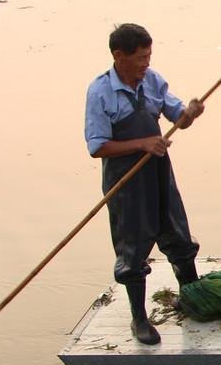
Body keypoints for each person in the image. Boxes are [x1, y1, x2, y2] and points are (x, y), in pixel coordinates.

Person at [85, 23, 205, 345]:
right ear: (118, 56)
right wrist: (142, 144)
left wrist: (189, 114)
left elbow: (176, 114)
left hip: (157, 171)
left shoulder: (152, 80)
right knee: (132, 248)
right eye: (140, 57)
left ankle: (192, 298)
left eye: (149, 55)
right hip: (125, 180)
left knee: (177, 233)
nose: (146, 63)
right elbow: (97, 147)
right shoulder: (100, 92)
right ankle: (139, 319)